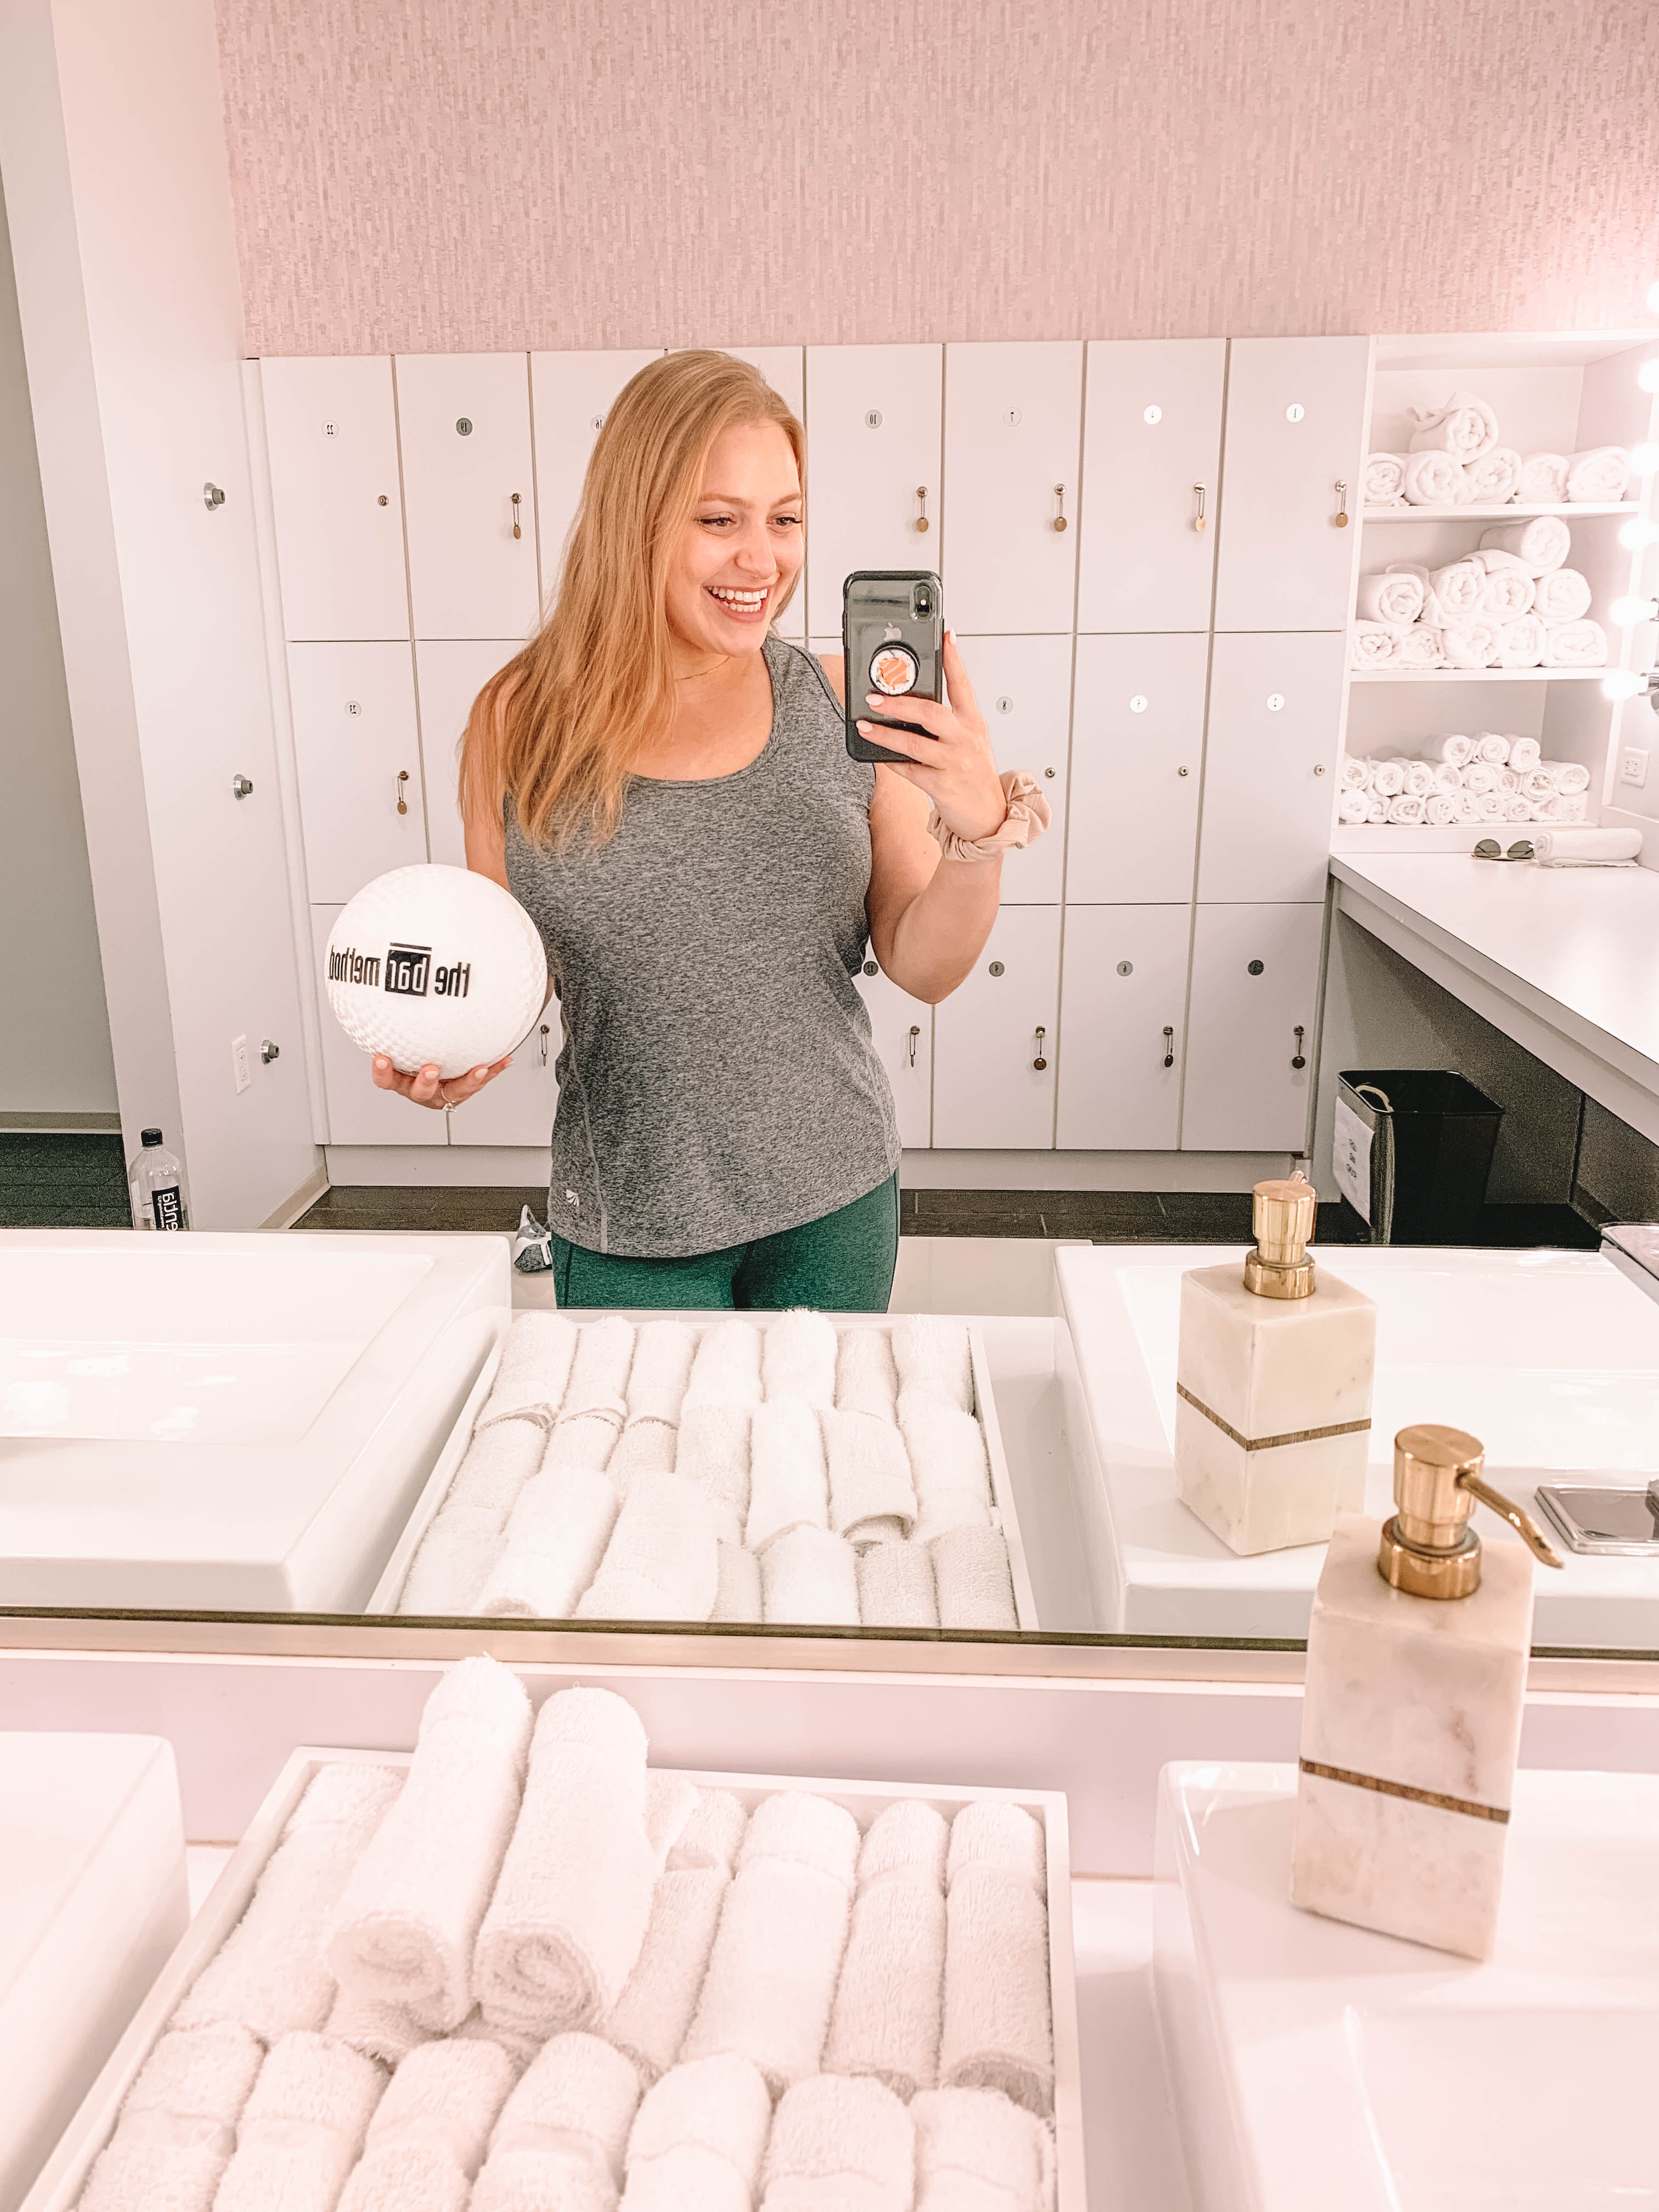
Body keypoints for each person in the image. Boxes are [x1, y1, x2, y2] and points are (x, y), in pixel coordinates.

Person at [371, 350, 1045, 1308]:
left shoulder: (838, 704)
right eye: (719, 521)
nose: (762, 561)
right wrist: (447, 1043)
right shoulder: (518, 719)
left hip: (836, 1202)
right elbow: (514, 971)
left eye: (785, 519)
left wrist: (977, 831)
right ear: (634, 521)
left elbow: (924, 966)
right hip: (630, 1219)